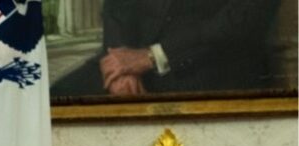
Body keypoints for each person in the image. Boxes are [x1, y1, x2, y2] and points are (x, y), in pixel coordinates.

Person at [52, 0, 280, 97]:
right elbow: (117, 7)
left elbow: (241, 21)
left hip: (210, 65)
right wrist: (120, 65)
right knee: (56, 100)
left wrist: (153, 56)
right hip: (134, 61)